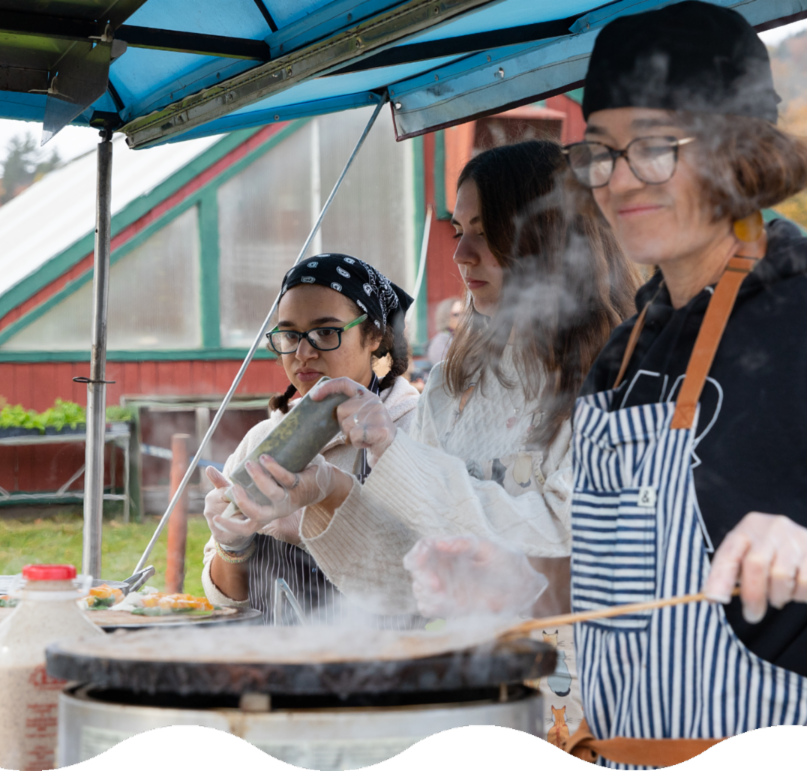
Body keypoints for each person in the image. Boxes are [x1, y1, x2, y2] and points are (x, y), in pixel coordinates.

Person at [404, 3, 807, 765]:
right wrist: (526, 584)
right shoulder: (622, 355)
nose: (620, 181)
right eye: (601, 153)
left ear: (740, 151)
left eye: (655, 148)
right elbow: (628, 595)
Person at [226, 140, 638, 731]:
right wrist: (327, 495)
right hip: (469, 688)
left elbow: (569, 548)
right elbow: (411, 579)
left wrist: (395, 454)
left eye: (485, 230)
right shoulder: (456, 378)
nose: (463, 253)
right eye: (459, 230)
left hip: (584, 705)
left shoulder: (617, 373)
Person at [200, 254, 419, 627]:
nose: (303, 353)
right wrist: (230, 546)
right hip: (274, 670)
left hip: (384, 670)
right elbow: (230, 602)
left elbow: (431, 580)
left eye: (326, 332)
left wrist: (333, 493)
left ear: (375, 336)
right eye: (290, 335)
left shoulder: (416, 429)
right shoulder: (263, 439)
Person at [426, 297, 464, 365]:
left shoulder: (469, 337)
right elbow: (446, 369)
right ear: (445, 316)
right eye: (456, 314)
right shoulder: (440, 342)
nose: (463, 317)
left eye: (465, 313)